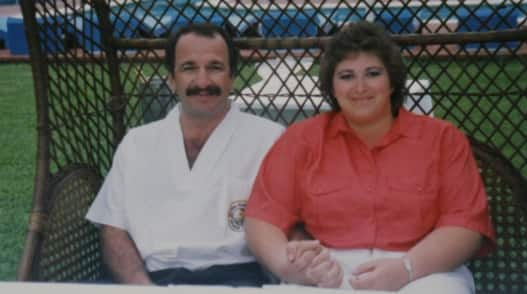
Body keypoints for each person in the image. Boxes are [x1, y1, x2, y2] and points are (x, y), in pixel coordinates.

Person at [244, 21, 496, 293]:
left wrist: (406, 269)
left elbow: (465, 225)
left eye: (373, 73)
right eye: (347, 76)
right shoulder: (301, 140)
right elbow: (263, 218)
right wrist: (291, 266)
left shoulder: (442, 139)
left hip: (422, 269)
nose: (360, 87)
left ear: (392, 81)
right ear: (332, 86)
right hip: (330, 270)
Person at [86, 22, 284, 286]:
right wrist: (142, 288)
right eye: (189, 68)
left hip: (238, 279)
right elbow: (113, 229)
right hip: (151, 279)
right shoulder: (137, 143)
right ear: (171, 78)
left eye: (214, 67)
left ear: (232, 77)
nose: (202, 81)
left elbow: (291, 223)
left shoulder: (269, 138)